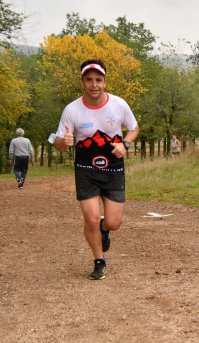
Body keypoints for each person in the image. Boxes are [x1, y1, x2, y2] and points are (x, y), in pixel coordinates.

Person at [53, 59, 139, 280]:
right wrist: (64, 141)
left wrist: (125, 144)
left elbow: (134, 128)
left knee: (113, 223)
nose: (94, 85)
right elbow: (58, 145)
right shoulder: (71, 110)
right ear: (82, 82)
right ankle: (99, 261)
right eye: (89, 80)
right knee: (90, 218)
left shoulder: (119, 104)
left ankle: (104, 229)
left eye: (98, 80)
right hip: (85, 169)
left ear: (104, 82)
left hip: (113, 169)